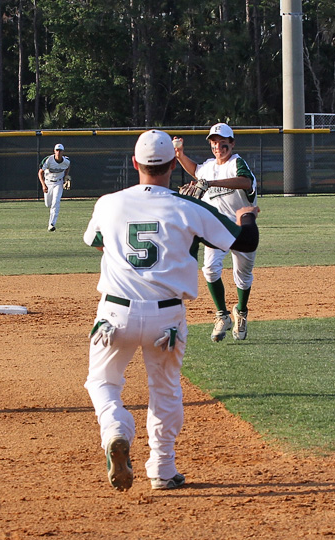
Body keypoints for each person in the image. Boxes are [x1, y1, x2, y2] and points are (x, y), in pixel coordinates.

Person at [83, 129, 259, 491]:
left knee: (102, 382)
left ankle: (116, 427)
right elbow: (246, 242)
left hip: (115, 313)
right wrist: (246, 215)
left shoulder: (108, 203)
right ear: (171, 167)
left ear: (135, 163)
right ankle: (162, 470)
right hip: (167, 317)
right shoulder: (188, 207)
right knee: (165, 391)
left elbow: (97, 243)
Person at [173, 123, 258, 341]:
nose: (218, 146)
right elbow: (195, 171)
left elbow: (245, 182)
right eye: (214, 142)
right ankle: (222, 315)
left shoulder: (237, 163)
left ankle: (241, 311)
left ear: (232, 143)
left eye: (223, 142)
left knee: (243, 276)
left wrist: (209, 183)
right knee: (210, 270)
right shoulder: (209, 166)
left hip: (242, 226)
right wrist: (180, 154)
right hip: (217, 226)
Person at [38, 143, 71, 231]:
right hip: (48, 183)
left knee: (56, 202)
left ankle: (51, 224)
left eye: (60, 151)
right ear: (54, 151)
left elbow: (67, 167)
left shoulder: (66, 161)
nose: (58, 152)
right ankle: (51, 221)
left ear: (63, 152)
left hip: (58, 183)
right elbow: (40, 172)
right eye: (57, 150)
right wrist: (43, 185)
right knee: (48, 204)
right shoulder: (48, 160)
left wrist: (65, 177)